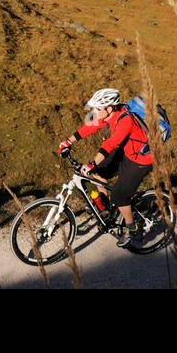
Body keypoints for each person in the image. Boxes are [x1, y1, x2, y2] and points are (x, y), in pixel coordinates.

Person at [58, 87, 152, 247]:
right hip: (126, 151)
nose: (94, 110)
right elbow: (89, 127)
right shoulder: (107, 115)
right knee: (98, 173)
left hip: (141, 160)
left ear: (109, 108)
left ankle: (133, 228)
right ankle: (108, 208)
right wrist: (68, 142)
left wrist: (92, 163)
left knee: (120, 196)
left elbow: (110, 144)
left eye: (98, 108)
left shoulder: (126, 120)